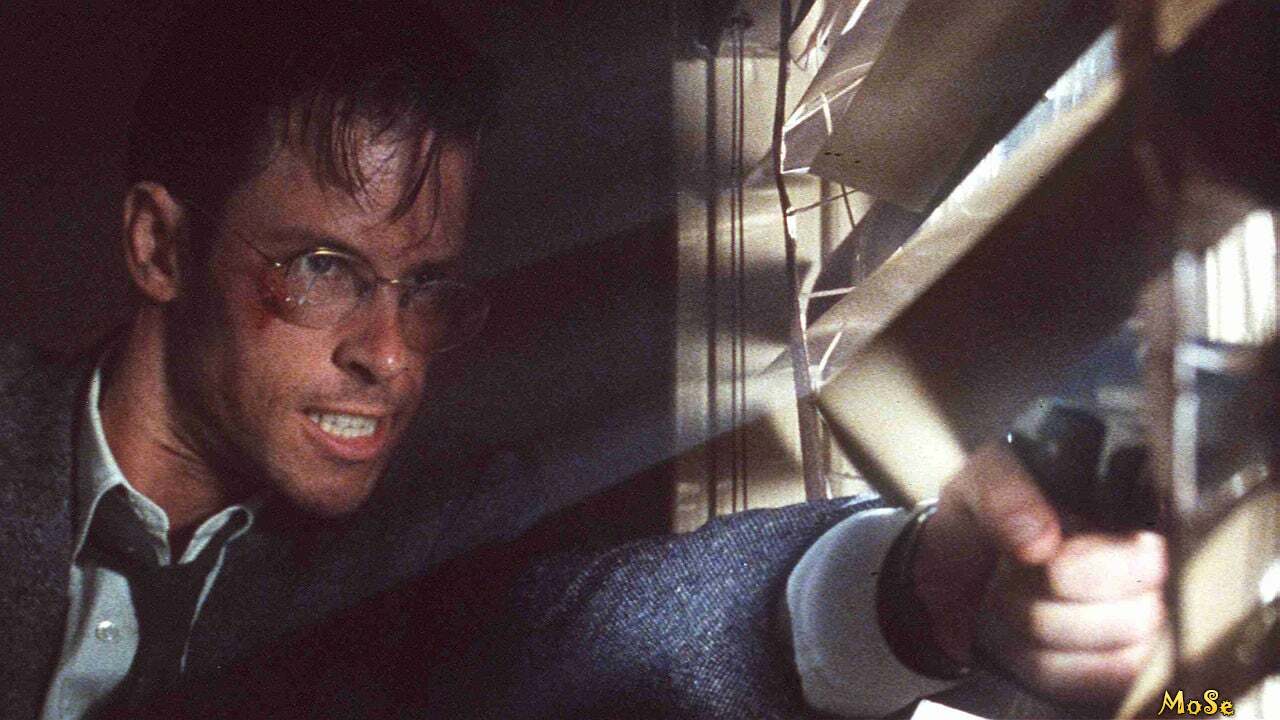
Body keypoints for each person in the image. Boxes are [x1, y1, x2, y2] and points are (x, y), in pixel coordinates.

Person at [0, 3, 1166, 719]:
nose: (391, 357)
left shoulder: (420, 553)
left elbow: (617, 631)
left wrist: (908, 586)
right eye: (321, 267)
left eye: (425, 290)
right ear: (160, 245)